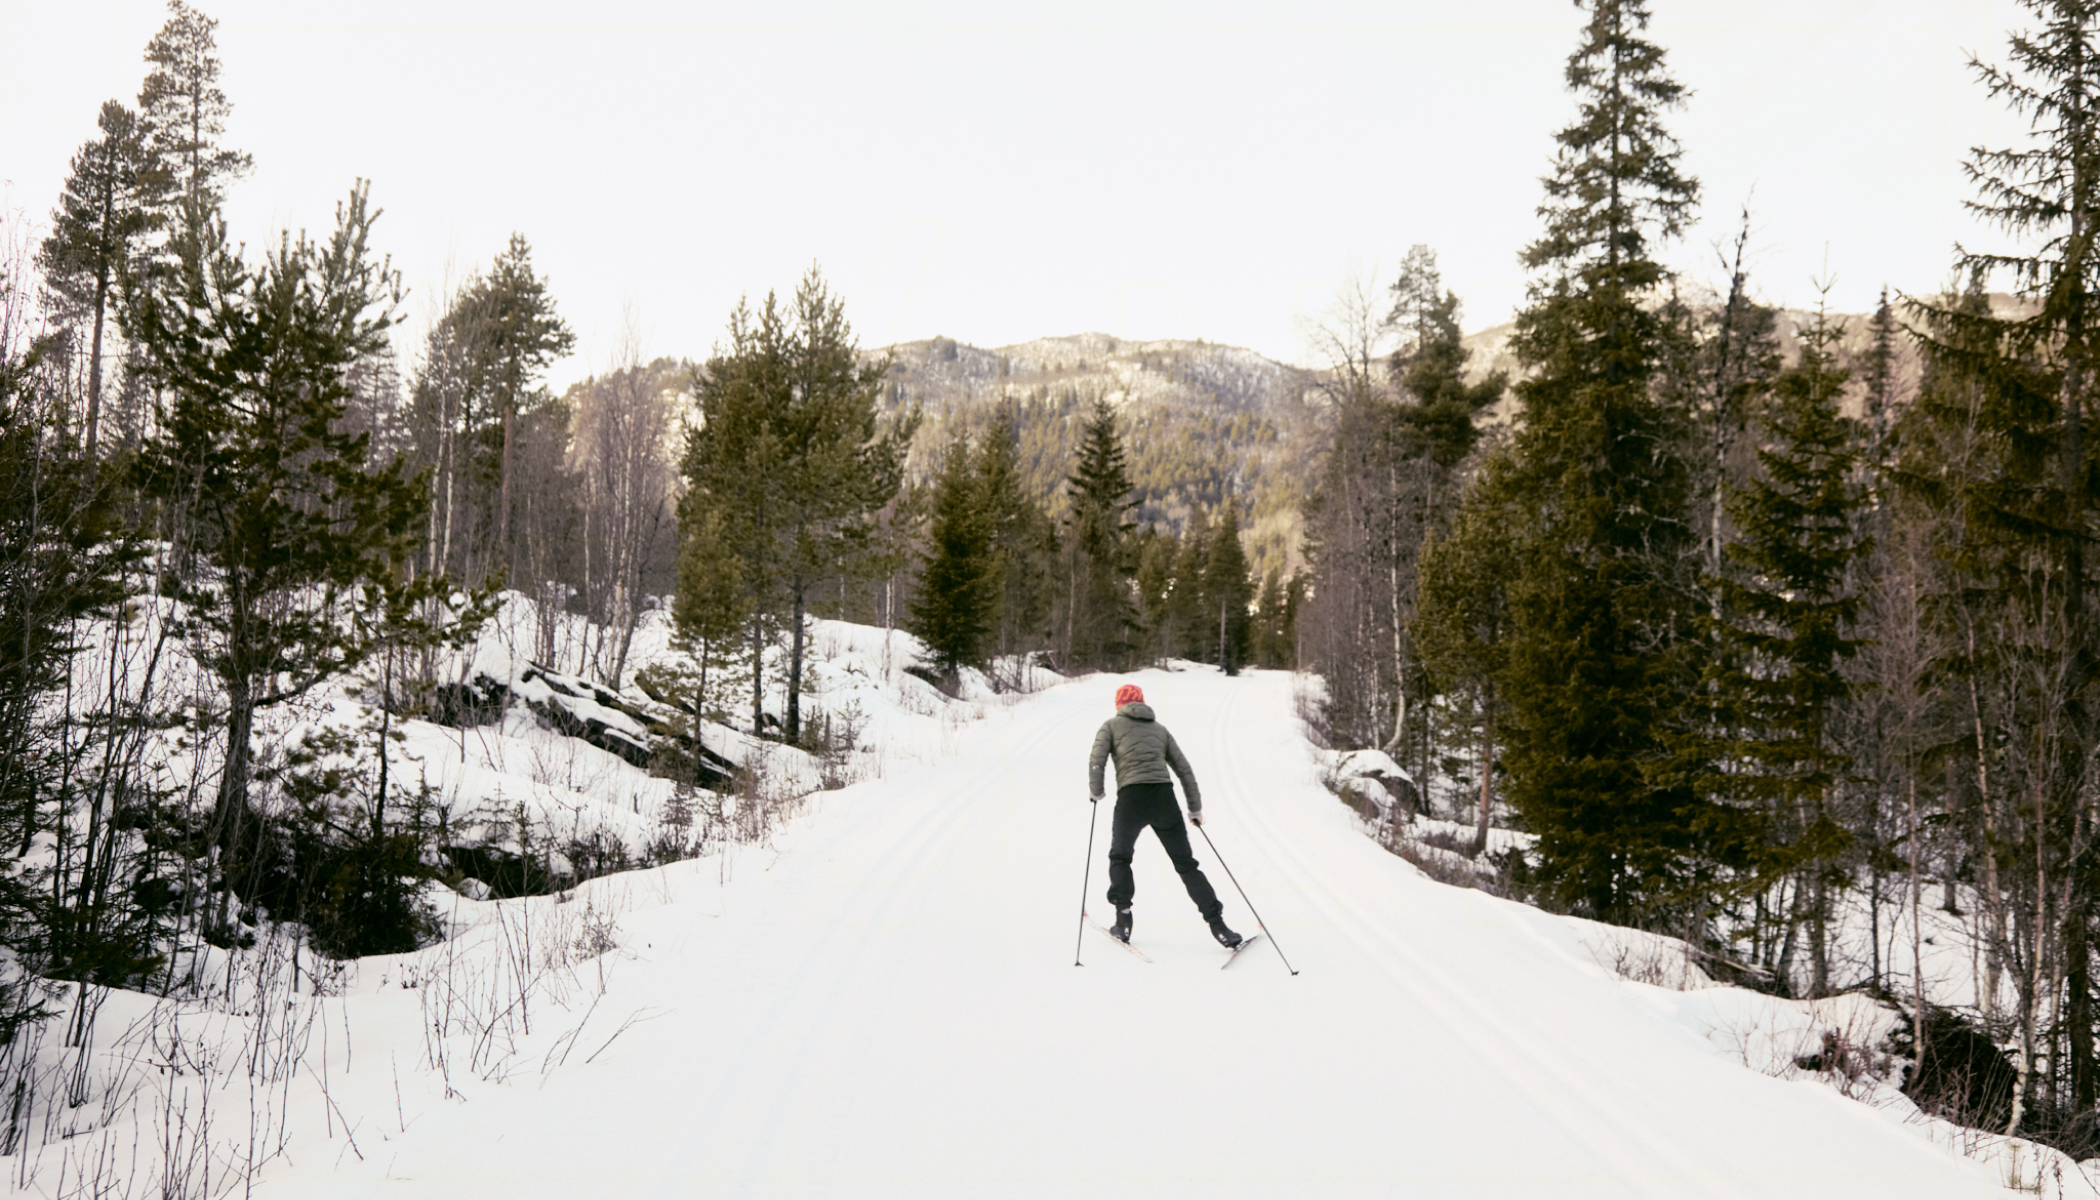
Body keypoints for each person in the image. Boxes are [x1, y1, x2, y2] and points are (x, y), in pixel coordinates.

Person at [1088, 683, 1243, 948]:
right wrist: (1194, 809)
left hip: (1131, 800)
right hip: (1164, 799)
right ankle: (1220, 927)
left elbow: (1096, 761)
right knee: (1186, 864)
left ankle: (1123, 922)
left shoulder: (1111, 726)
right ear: (1142, 703)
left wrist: (1097, 792)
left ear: (1118, 705)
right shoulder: (1160, 730)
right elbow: (1185, 770)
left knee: (1120, 857)